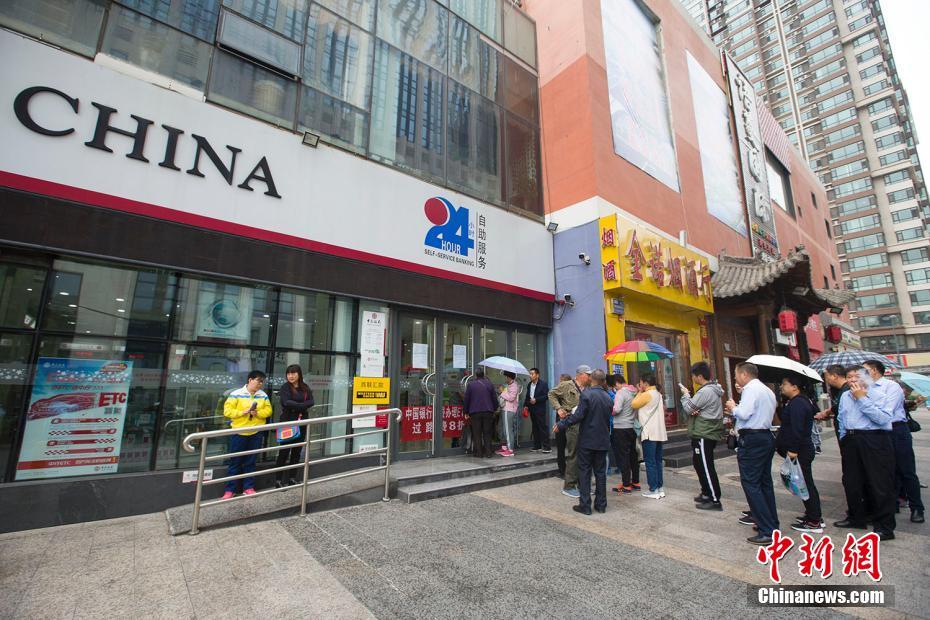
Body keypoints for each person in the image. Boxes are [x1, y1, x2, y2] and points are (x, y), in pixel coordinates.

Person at [835, 365, 897, 540]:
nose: (852, 379)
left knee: (879, 483)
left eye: (857, 376)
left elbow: (883, 419)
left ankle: (885, 526)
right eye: (849, 376)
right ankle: (856, 517)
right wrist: (843, 438)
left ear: (867, 377)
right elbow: (841, 418)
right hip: (851, 439)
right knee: (851, 481)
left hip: (874, 438)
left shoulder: (879, 395)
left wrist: (862, 398)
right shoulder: (845, 396)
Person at [862, 361, 923, 524]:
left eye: (864, 370)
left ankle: (917, 508)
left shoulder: (891, 387)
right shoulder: (864, 388)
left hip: (896, 430)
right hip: (877, 432)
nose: (861, 374)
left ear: (874, 371)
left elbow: (885, 411)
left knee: (906, 470)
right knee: (885, 472)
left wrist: (865, 401)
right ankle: (891, 506)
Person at [725, 362, 779, 545]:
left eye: (736, 374)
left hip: (752, 440)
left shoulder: (750, 389)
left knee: (751, 483)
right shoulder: (766, 390)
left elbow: (744, 413)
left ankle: (766, 530)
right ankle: (772, 524)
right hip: (765, 437)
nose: (735, 378)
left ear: (744, 375)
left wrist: (733, 407)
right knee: (764, 483)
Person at [554, 369, 613, 515]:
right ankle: (601, 505)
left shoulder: (587, 394)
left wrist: (561, 424)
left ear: (592, 379)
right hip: (603, 440)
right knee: (600, 473)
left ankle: (585, 505)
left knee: (585, 472)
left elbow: (578, 416)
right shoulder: (608, 397)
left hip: (588, 440)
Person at [776, 376, 822, 533]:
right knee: (805, 483)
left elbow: (797, 429)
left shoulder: (798, 403)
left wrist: (793, 450)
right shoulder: (798, 401)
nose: (781, 386)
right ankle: (813, 515)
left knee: (805, 484)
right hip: (801, 449)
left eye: (784, 384)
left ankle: (814, 521)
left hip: (800, 450)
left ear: (794, 387)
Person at [680, 361, 725, 511]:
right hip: (704, 431)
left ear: (699, 376)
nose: (692, 378)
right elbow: (696, 408)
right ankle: (706, 493)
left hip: (704, 433)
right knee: (699, 464)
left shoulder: (705, 391)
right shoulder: (711, 390)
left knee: (706, 466)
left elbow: (688, 408)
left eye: (693, 375)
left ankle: (714, 500)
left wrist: (686, 396)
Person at [222, 370, 273, 499]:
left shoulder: (263, 395)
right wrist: (242, 412)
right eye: (258, 381)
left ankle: (248, 487)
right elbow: (227, 411)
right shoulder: (236, 394)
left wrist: (258, 413)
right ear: (250, 380)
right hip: (238, 432)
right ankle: (230, 490)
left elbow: (269, 411)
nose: (260, 384)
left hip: (256, 432)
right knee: (235, 462)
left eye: (262, 382)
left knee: (251, 461)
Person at [549, 366, 591, 498]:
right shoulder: (566, 385)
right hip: (572, 424)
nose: (589, 377)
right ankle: (569, 486)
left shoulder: (589, 388)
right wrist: (558, 408)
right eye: (587, 374)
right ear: (580, 374)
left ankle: (582, 485)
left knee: (584, 455)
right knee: (574, 454)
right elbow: (551, 394)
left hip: (585, 424)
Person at [275, 364, 314, 488]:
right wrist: (302, 406)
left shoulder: (305, 387)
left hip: (301, 422)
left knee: (297, 451)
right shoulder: (285, 387)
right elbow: (286, 402)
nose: (290, 376)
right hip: (288, 422)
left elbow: (312, 401)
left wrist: (297, 405)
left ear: (299, 374)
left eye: (293, 373)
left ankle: (292, 478)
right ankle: (278, 480)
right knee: (284, 451)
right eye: (288, 373)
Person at [632, 373, 667, 499]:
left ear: (645, 383)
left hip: (649, 433)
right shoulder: (658, 393)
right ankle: (660, 488)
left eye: (641, 383)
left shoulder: (647, 394)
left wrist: (639, 392)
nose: (640, 385)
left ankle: (653, 489)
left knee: (650, 462)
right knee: (657, 461)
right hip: (659, 432)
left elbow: (634, 404)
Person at [611, 374, 640, 493]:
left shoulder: (621, 392)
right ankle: (636, 482)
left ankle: (626, 484)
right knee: (633, 455)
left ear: (617, 382)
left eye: (614, 386)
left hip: (621, 428)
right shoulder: (633, 391)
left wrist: (609, 410)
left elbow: (617, 409)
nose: (615, 388)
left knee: (623, 456)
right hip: (631, 427)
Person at [463, 369, 498, 458]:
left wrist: (466, 411)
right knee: (487, 433)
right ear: (483, 375)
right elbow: (494, 398)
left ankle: (479, 453)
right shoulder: (489, 384)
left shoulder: (471, 385)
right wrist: (494, 409)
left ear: (476, 375)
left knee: (477, 433)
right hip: (488, 411)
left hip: (475, 412)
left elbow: (467, 399)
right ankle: (488, 453)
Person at [524, 368, 551, 453]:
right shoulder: (529, 384)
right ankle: (537, 446)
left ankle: (547, 447)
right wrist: (525, 405)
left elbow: (547, 396)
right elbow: (527, 396)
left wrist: (536, 400)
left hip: (540, 409)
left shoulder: (543, 384)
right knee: (535, 427)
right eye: (530, 374)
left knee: (542, 427)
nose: (530, 375)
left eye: (532, 374)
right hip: (532, 409)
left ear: (537, 375)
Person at [553, 373, 573, 477]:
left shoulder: (560, 393)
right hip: (568, 423)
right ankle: (566, 470)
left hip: (563, 423)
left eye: (561, 381)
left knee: (561, 448)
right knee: (569, 449)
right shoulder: (572, 393)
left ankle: (563, 471)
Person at [497, 371, 520, 456]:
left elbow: (511, 398)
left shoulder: (514, 386)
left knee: (508, 430)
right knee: (503, 429)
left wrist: (502, 392)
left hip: (509, 410)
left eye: (506, 376)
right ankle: (504, 448)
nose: (505, 378)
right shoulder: (508, 385)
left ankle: (510, 450)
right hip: (505, 409)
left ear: (509, 377)